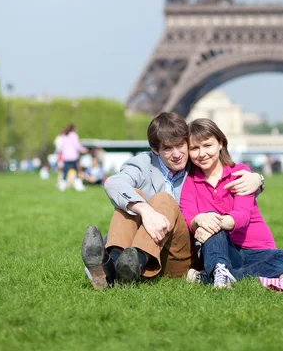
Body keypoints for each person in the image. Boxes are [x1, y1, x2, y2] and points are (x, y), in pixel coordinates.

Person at [81, 112, 264, 289]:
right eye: (168, 148)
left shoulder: (196, 162)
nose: (177, 154)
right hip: (142, 245)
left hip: (181, 254)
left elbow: (223, 176)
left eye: (180, 145)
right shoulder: (143, 163)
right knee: (130, 198)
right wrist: (145, 210)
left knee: (163, 200)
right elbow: (114, 183)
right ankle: (114, 266)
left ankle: (127, 264)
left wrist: (258, 179)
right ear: (155, 149)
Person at [180, 119, 283, 288]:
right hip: (222, 250)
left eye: (207, 145)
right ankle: (221, 270)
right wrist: (200, 220)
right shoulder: (189, 182)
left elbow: (242, 216)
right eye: (195, 148)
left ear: (221, 144)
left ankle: (216, 276)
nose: (202, 153)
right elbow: (188, 217)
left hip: (258, 250)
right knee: (208, 219)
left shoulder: (240, 173)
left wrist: (213, 222)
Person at [57, 124, 87, 192]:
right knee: (77, 171)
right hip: (73, 156)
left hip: (66, 157)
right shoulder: (74, 135)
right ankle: (78, 185)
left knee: (65, 172)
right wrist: (83, 149)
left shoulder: (64, 135)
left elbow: (61, 146)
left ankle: (63, 185)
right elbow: (77, 145)